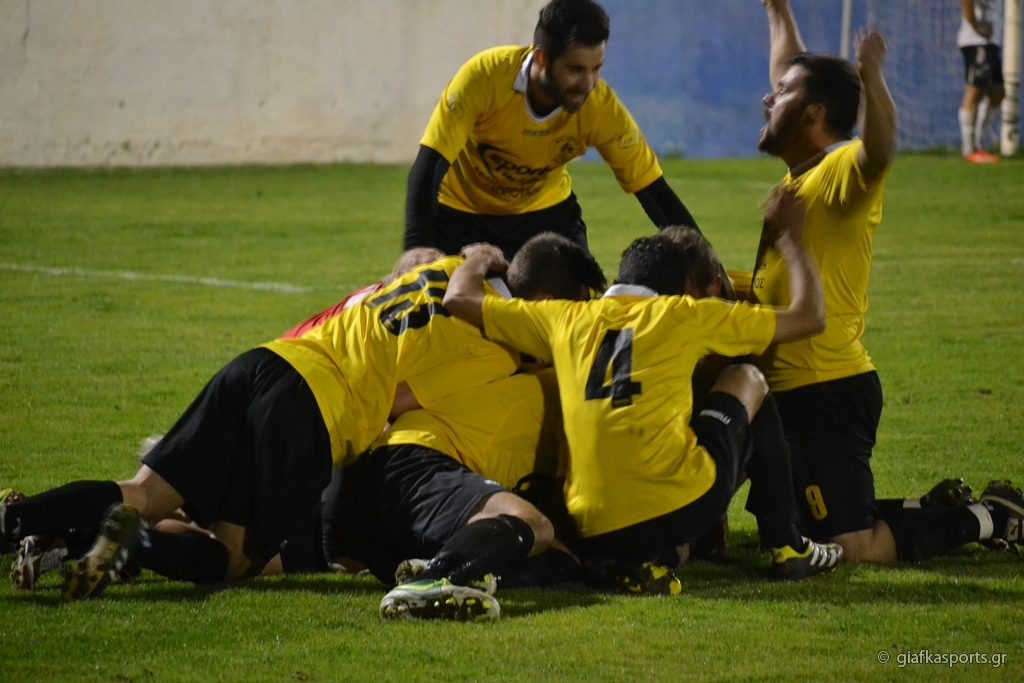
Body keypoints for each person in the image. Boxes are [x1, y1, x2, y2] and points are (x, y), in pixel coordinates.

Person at [0, 234, 603, 601]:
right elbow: (397, 403)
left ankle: (18, 521)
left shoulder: (445, 269)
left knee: (143, 493)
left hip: (269, 361)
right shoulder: (492, 347)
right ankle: (134, 544)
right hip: (313, 411)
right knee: (235, 559)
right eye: (571, 315)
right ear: (545, 305)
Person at [443, 186, 845, 586]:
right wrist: (791, 240)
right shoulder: (683, 314)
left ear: (619, 279)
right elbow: (809, 317)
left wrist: (478, 257)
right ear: (675, 291)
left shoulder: (564, 317)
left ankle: (633, 562)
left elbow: (459, 299)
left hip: (589, 523)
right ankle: (788, 545)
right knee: (746, 378)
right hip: (674, 507)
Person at [754, 0, 1024, 564]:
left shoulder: (838, 170)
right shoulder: (801, 174)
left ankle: (992, 516)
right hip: (796, 391)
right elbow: (790, 69)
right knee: (797, 527)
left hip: (825, 391)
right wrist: (778, 10)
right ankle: (932, 507)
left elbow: (878, 153)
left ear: (813, 114)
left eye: (780, 94)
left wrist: (871, 76)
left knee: (850, 547)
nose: (767, 98)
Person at [395, 0, 698, 273]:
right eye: (576, 69)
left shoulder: (600, 107)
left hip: (545, 218)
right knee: (445, 309)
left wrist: (700, 260)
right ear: (541, 58)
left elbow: (653, 190)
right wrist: (417, 244)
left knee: (577, 307)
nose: (588, 83)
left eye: (596, 69)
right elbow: (430, 165)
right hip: (460, 215)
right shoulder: (484, 78)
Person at [958, 0, 1005, 163]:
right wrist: (977, 28)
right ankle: (969, 149)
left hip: (990, 42)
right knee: (975, 90)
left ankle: (977, 143)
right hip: (976, 41)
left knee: (998, 93)